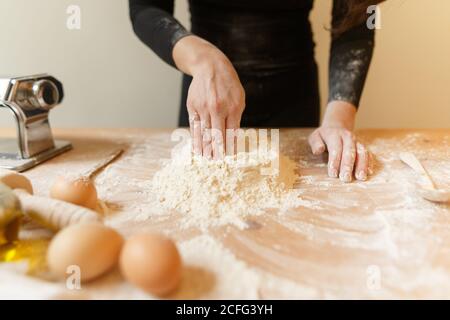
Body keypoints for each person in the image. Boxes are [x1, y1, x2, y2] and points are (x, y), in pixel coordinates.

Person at [129, 0, 383, 182]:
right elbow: (144, 8)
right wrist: (201, 58)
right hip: (208, 101)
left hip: (294, 100)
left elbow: (361, 15)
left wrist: (339, 118)